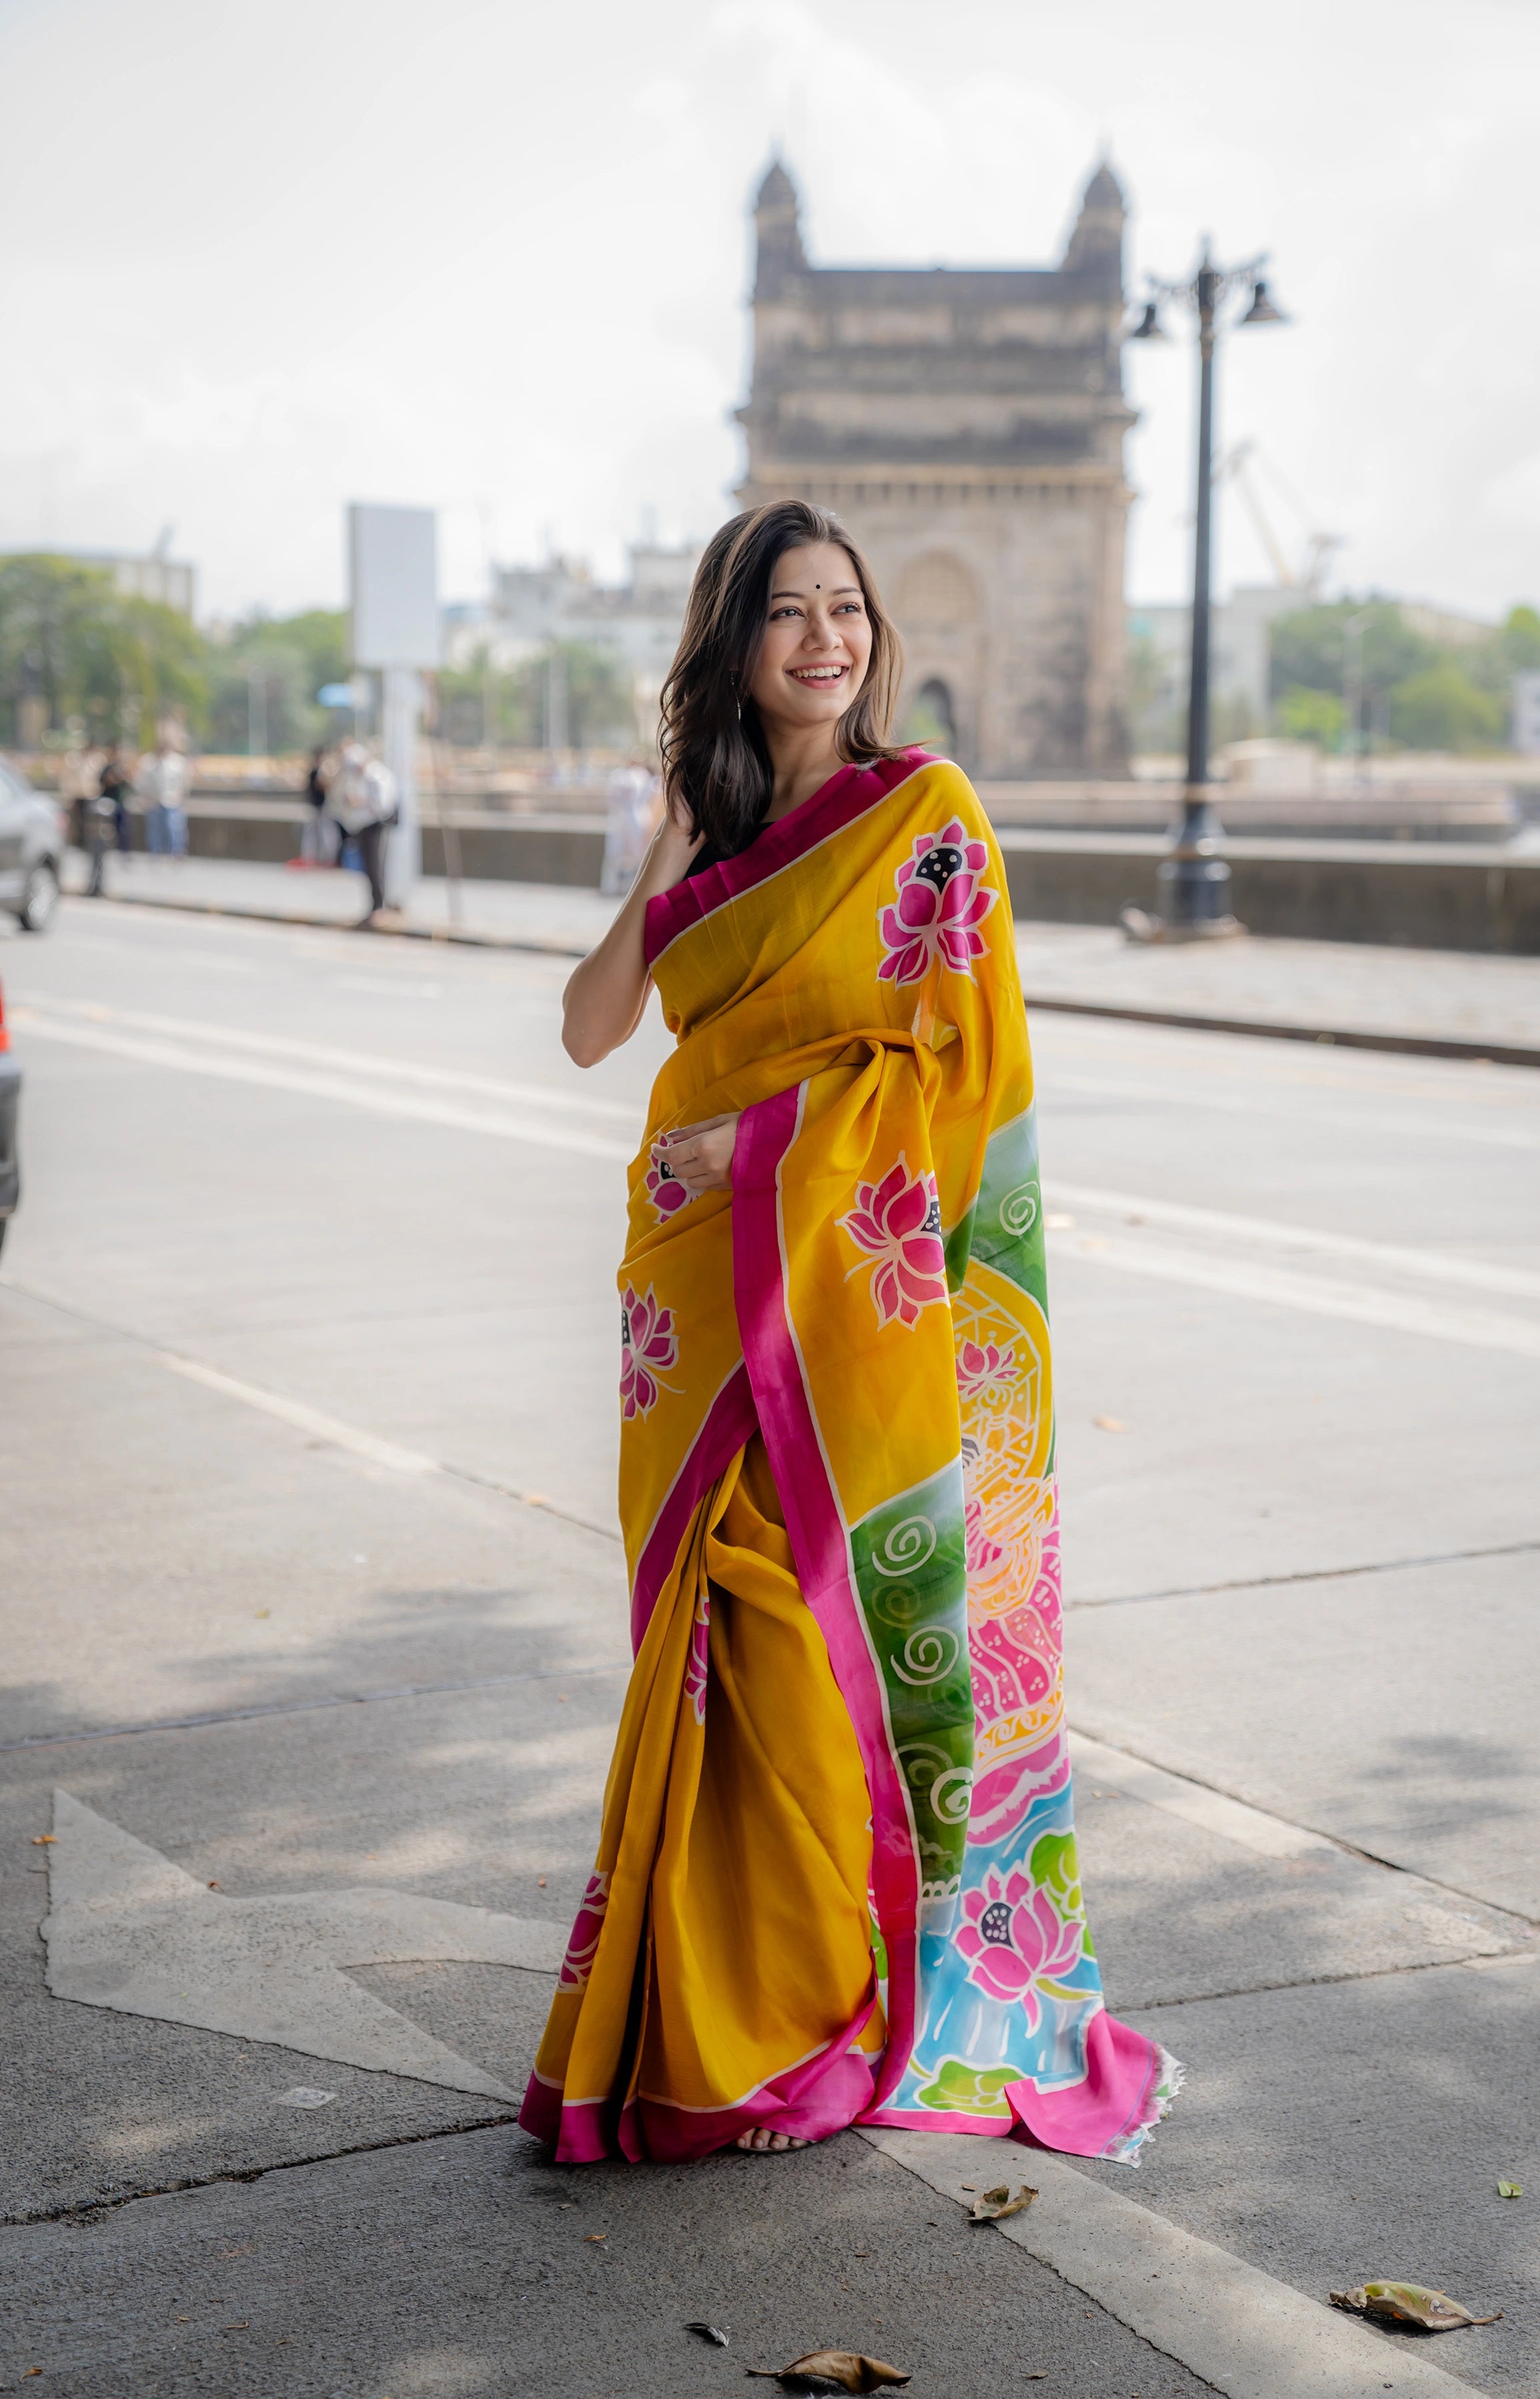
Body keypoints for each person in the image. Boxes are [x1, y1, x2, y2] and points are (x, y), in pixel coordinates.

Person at [523, 500, 1181, 2167]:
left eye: (847, 610)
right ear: (730, 640)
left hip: (846, 1293)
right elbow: (592, 1029)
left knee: (818, 1645)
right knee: (705, 1664)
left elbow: (962, 1084)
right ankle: (705, 2024)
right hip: (689, 1288)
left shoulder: (924, 816)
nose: (825, 640)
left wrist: (755, 1145)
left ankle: (818, 2022)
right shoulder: (718, 831)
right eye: (787, 613)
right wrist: (665, 854)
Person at [332, 739, 398, 926]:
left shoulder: (375, 776)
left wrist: (361, 802)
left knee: (375, 866)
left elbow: (383, 805)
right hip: (362, 825)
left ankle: (378, 905)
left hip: (373, 825)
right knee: (370, 868)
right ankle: (375, 905)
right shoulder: (358, 777)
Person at [600, 758, 661, 897]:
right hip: (627, 820)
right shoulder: (624, 776)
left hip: (634, 819)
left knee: (636, 856)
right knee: (617, 854)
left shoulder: (638, 777)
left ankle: (630, 886)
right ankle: (616, 885)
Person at [85, 746, 134, 897]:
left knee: (123, 832)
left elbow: (130, 785)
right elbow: (100, 783)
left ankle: (123, 852)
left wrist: (121, 778)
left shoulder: (122, 769)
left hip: (119, 806)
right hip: (105, 810)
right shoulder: (106, 769)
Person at [135, 732, 191, 860]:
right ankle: (155, 852)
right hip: (153, 801)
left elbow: (184, 783)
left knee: (174, 827)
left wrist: (182, 798)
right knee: (154, 829)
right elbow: (141, 783)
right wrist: (145, 798)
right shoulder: (148, 762)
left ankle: (176, 852)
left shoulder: (178, 762)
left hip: (172, 800)